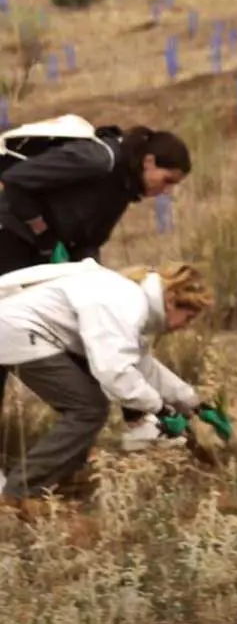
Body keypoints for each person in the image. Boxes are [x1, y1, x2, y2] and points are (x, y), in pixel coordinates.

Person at [0, 122, 192, 450]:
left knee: (98, 332)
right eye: (167, 180)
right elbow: (16, 182)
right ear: (148, 162)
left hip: (38, 252)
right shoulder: (97, 160)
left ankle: (137, 422)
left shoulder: (121, 188)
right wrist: (47, 237)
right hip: (10, 239)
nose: (167, 190)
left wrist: (98, 279)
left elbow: (88, 241)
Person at [0, 260, 214, 507]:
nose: (185, 327)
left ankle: (59, 475)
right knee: (88, 409)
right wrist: (162, 410)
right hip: (17, 331)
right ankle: (20, 493)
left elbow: (142, 366)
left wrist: (195, 404)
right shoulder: (126, 303)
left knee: (88, 404)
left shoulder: (132, 299)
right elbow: (115, 373)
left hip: (17, 327)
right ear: (171, 300)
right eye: (187, 318)